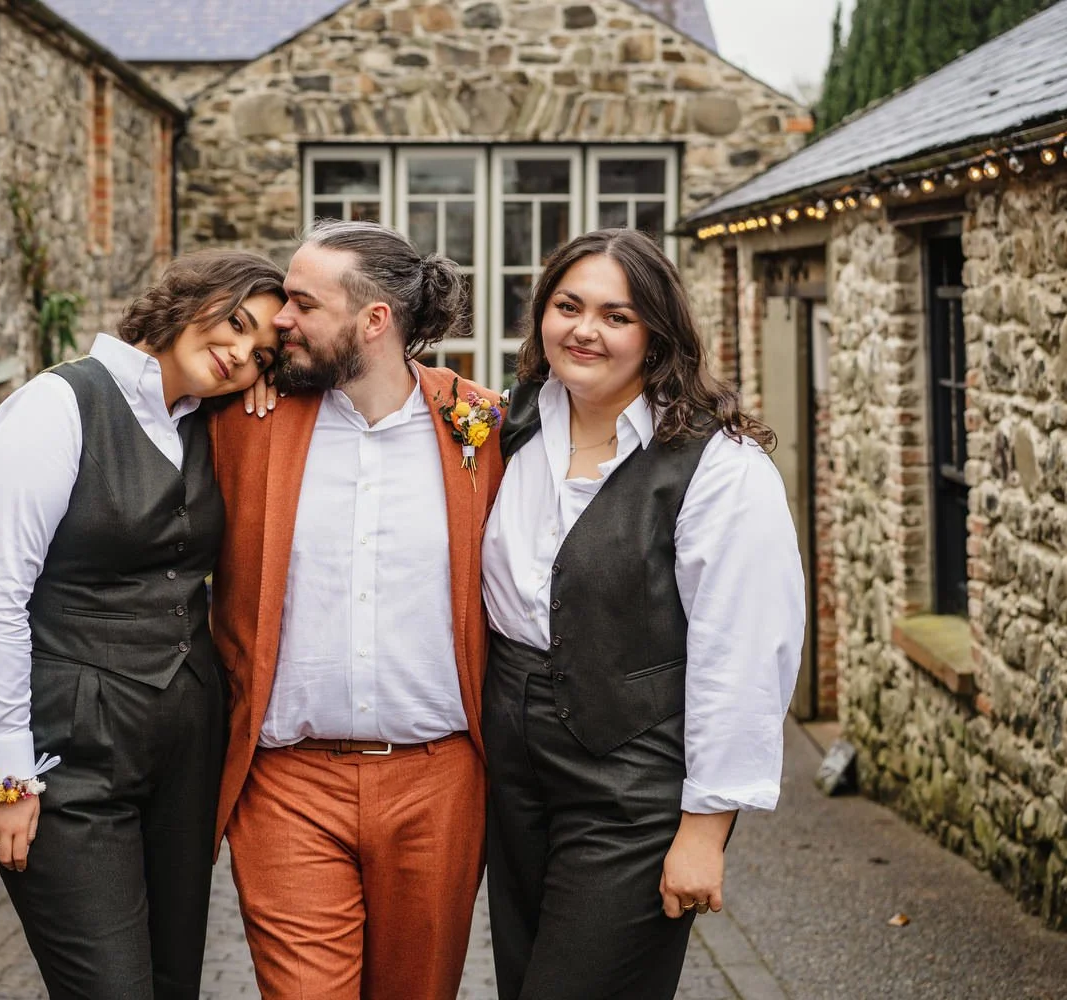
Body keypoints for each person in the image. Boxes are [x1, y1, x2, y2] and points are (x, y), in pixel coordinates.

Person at [0, 250, 285, 1000]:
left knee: (173, 983)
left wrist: (271, 382)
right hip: (72, 759)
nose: (238, 353)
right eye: (235, 322)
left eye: (261, 351)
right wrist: (6, 777)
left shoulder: (213, 418)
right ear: (189, 296)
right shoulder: (56, 407)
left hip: (185, 752)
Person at [481, 228, 804, 999]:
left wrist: (705, 829)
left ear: (657, 333)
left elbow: (746, 654)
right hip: (511, 772)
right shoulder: (510, 424)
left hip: (629, 782)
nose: (584, 330)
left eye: (616, 316)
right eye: (568, 306)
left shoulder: (719, 467)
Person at [207, 219, 505, 1000]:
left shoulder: (483, 427)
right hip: (287, 787)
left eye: (302, 303)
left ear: (375, 321)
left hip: (438, 782)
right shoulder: (245, 421)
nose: (280, 319)